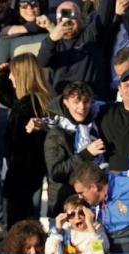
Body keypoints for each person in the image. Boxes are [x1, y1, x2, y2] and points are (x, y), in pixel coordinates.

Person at [0, 53, 51, 225]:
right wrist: (0, 74)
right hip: (31, 176)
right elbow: (5, 95)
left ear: (22, 74)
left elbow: (22, 148)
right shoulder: (36, 100)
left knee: (21, 225)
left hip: (23, 178)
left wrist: (13, 180)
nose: (10, 77)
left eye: (12, 72)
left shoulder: (27, 107)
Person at [44, 81, 107, 217]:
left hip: (94, 199)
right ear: (65, 102)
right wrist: (86, 154)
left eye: (86, 102)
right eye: (76, 102)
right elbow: (56, 172)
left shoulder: (97, 122)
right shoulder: (56, 133)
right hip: (65, 203)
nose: (82, 107)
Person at [35, 0, 117, 97]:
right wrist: (51, 39)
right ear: (57, 20)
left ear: (81, 18)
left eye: (72, 15)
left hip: (93, 100)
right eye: (63, 16)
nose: (67, 21)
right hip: (65, 103)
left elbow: (104, 11)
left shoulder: (91, 36)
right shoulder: (53, 44)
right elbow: (41, 62)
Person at [71, 163, 129, 254]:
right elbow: (98, 252)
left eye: (81, 193)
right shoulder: (88, 205)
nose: (79, 197)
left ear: (93, 187)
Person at [45, 195, 109, 254]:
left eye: (81, 213)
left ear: (88, 213)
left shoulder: (97, 229)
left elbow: (100, 252)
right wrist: (57, 229)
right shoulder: (65, 231)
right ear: (67, 217)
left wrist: (90, 226)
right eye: (71, 214)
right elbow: (49, 253)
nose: (77, 217)